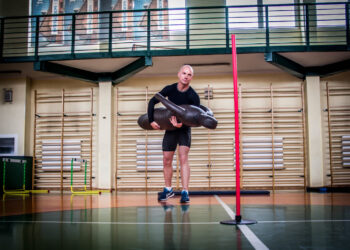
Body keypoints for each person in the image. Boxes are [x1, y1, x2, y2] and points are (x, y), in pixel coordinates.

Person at [147, 65, 200, 203]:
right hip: (170, 129)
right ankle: (168, 190)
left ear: (191, 78)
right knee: (166, 159)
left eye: (189, 74)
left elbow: (196, 119)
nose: (186, 76)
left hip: (184, 129)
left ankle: (185, 192)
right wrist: (152, 121)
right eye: (184, 73)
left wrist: (181, 124)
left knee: (183, 159)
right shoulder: (169, 89)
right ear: (179, 74)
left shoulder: (193, 96)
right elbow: (152, 101)